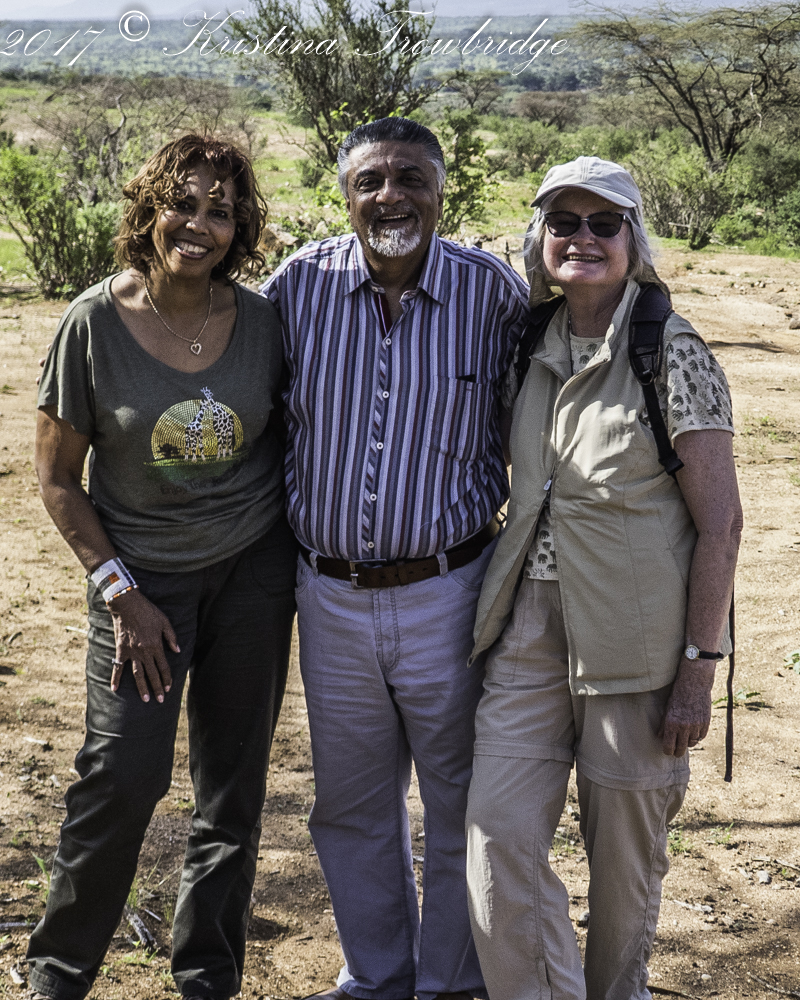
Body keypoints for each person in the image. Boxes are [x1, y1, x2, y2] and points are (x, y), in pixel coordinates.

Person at [262, 117, 529, 1000]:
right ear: (345, 193)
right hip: (328, 593)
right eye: (371, 181)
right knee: (350, 803)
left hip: (451, 591)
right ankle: (376, 977)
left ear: (442, 190)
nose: (391, 197)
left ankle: (450, 982)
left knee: (461, 799)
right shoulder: (295, 290)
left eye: (411, 178)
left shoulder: (492, 295)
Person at [465, 156, 743, 1000]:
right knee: (497, 841)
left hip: (639, 643)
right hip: (529, 626)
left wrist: (699, 669)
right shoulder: (528, 342)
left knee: (623, 869)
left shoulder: (672, 352)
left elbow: (722, 525)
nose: (581, 238)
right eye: (563, 222)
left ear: (633, 238)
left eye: (603, 223)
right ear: (540, 237)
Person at [27, 134, 297, 1000]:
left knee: (233, 786)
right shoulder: (93, 324)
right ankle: (58, 974)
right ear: (150, 208)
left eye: (221, 210)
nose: (199, 225)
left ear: (239, 227)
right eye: (184, 203)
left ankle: (209, 975)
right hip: (141, 587)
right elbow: (58, 481)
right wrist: (122, 595)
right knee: (122, 778)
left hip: (252, 578)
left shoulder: (262, 323)